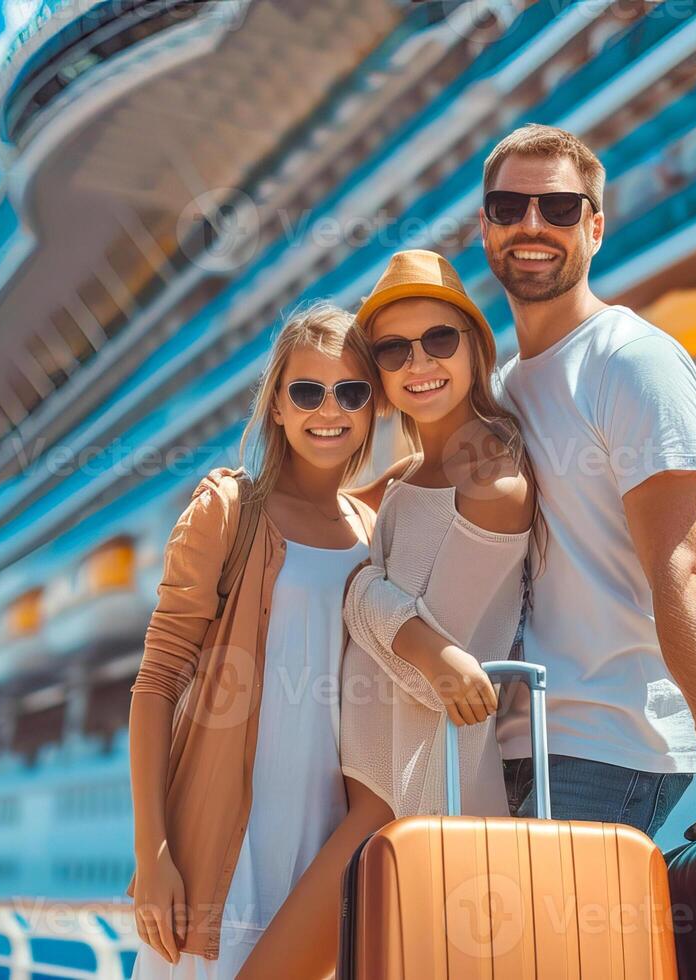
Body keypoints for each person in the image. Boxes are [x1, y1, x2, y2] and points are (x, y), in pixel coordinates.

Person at [238, 250, 538, 979]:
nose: (419, 362)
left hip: (411, 803)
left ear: (474, 346)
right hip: (372, 799)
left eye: (439, 339)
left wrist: (365, 596)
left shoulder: (490, 478)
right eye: (393, 350)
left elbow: (435, 664)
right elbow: (329, 520)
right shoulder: (410, 479)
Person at [482, 124, 696, 836]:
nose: (532, 225)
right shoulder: (502, 387)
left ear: (594, 227)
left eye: (558, 209)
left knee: (538, 946)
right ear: (486, 228)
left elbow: (679, 568)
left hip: (614, 740)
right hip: (522, 737)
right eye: (510, 207)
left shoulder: (632, 360)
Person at [127, 302, 385, 980]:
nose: (329, 410)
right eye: (307, 391)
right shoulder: (228, 509)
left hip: (328, 851)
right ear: (275, 404)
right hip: (219, 853)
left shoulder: (375, 530)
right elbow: (155, 685)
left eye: (351, 392)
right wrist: (152, 854)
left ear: (372, 407)